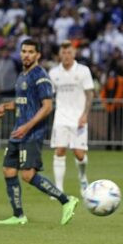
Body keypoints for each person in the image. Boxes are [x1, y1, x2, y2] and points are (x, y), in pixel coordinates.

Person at [0, 39, 79, 225]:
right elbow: (23, 101)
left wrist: (27, 126)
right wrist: (6, 106)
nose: (26, 54)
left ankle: (66, 200)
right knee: (8, 170)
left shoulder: (40, 76)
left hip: (31, 134)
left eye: (30, 52)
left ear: (38, 55)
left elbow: (47, 106)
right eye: (24, 51)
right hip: (19, 131)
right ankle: (19, 216)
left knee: (27, 175)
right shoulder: (23, 75)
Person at [49, 40, 94, 193]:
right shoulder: (53, 73)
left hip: (78, 118)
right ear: (59, 55)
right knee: (59, 151)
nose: (66, 56)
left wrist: (85, 115)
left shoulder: (83, 71)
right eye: (63, 53)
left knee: (79, 154)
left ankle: (82, 178)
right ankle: (58, 189)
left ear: (74, 53)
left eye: (69, 52)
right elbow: (49, 95)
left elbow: (89, 94)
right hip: (60, 118)